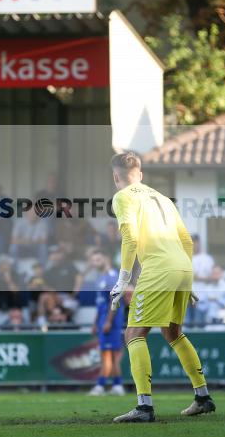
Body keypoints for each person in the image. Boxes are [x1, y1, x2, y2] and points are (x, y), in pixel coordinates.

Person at [107, 151, 215, 423]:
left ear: (116, 177)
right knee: (173, 333)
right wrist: (186, 279)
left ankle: (144, 406)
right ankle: (202, 397)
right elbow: (187, 241)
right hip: (182, 267)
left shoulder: (122, 197)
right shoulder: (163, 199)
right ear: (140, 174)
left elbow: (130, 239)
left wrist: (122, 279)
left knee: (133, 333)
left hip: (159, 269)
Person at [88, 251, 126, 396]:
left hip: (111, 320)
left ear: (106, 259)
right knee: (107, 353)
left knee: (109, 354)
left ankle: (102, 385)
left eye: (97, 259)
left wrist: (109, 321)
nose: (94, 263)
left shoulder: (112, 277)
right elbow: (101, 303)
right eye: (92, 260)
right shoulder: (100, 278)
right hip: (103, 318)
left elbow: (113, 301)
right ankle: (115, 385)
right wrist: (95, 322)